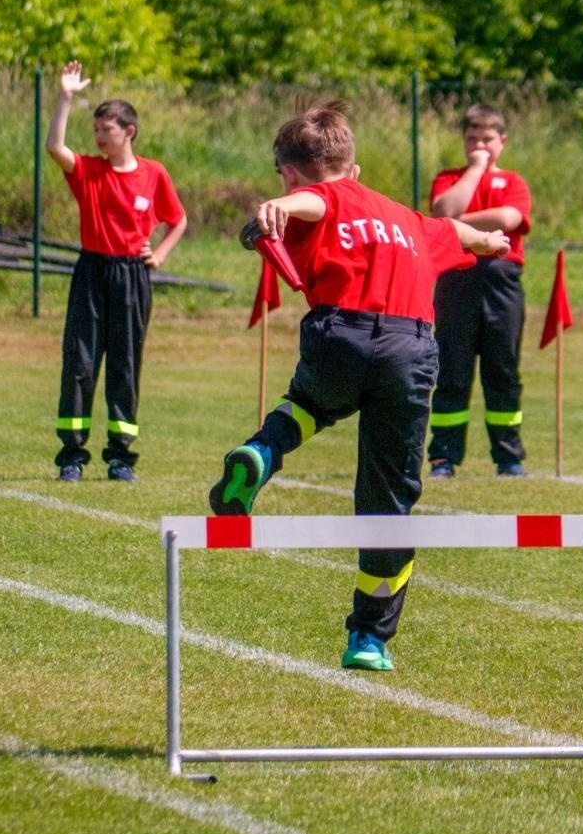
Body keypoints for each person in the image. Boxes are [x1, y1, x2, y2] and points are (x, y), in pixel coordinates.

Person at [209, 101, 510, 671]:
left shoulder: (315, 198)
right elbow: (456, 231)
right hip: (409, 348)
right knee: (389, 500)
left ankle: (263, 452)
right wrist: (490, 242)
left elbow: (315, 201)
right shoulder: (404, 216)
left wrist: (279, 205)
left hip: (340, 335)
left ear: (289, 172)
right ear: (355, 168)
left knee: (310, 403)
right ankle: (369, 638)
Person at [45, 61, 187, 482]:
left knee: (125, 365)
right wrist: (65, 97)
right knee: (80, 362)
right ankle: (72, 456)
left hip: (131, 277)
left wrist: (158, 255)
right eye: (95, 130)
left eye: (106, 129)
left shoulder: (153, 173)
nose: (99, 136)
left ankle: (120, 457)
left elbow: (177, 219)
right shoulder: (89, 170)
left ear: (129, 132)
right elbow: (54, 147)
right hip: (91, 272)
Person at [427, 103, 531, 479]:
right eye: (472, 139)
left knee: (502, 372)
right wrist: (473, 172)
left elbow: (509, 218)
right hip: (456, 281)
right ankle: (443, 457)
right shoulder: (449, 178)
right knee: (452, 371)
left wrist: (456, 224)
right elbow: (443, 210)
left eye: (487, 139)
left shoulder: (513, 182)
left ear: (502, 141)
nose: (480, 147)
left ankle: (508, 457)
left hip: (502, 284)